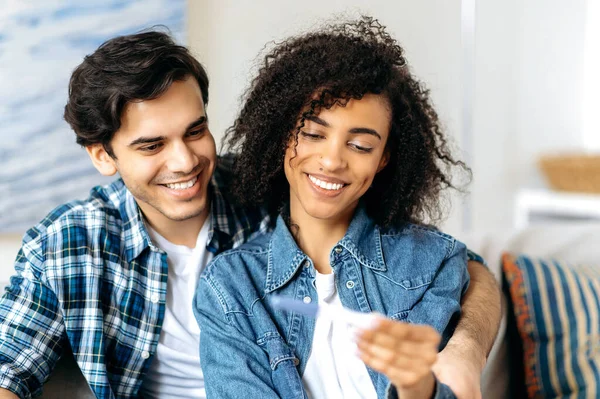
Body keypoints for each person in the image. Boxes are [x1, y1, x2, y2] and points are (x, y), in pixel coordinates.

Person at [0, 29, 498, 399]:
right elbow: (8, 374)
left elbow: (457, 265)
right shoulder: (66, 244)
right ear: (102, 156)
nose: (184, 161)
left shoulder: (267, 186)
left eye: (195, 130)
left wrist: (465, 350)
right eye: (152, 145)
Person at [194, 17, 497, 399]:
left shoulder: (429, 263)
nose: (332, 160)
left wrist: (417, 385)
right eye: (314, 134)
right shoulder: (231, 286)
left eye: (360, 146)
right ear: (281, 132)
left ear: (384, 158)